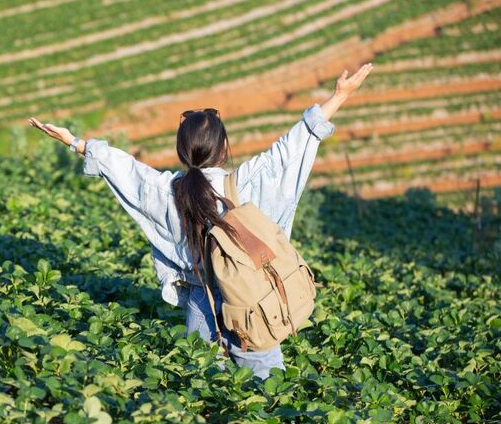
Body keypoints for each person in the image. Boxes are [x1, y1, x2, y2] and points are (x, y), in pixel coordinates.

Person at [28, 63, 374, 379]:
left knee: (202, 391)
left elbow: (125, 169)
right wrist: (339, 95)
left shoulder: (168, 191)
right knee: (270, 393)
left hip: (200, 304)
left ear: (182, 151)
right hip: (253, 304)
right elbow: (293, 146)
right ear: (223, 148)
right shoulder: (246, 183)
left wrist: (75, 142)